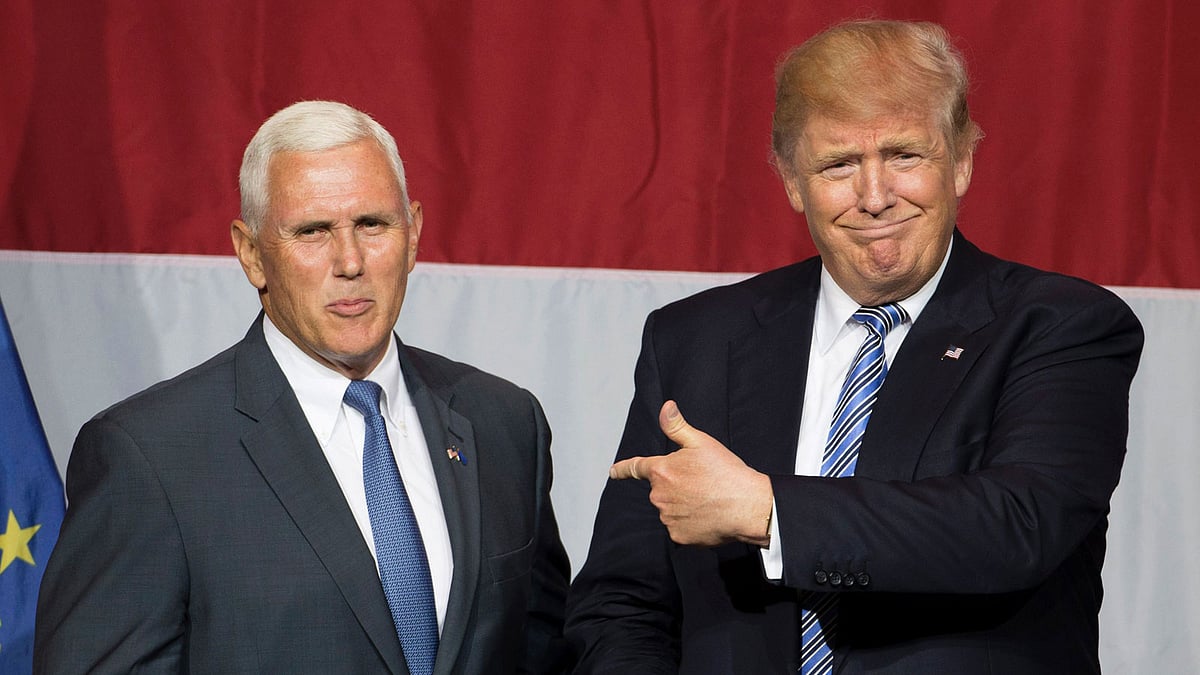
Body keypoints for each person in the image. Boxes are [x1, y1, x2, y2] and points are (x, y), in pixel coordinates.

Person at [565, 20, 1143, 674]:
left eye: (903, 155)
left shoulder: (1062, 324)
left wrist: (768, 510)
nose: (874, 196)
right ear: (791, 180)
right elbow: (622, 600)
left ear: (961, 161)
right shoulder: (695, 338)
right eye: (839, 163)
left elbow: (1018, 523)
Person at [34, 101, 570, 673]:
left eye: (372, 224)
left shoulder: (504, 422)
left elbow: (545, 653)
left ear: (413, 233)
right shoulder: (149, 456)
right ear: (251, 253)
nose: (350, 261)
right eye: (312, 231)